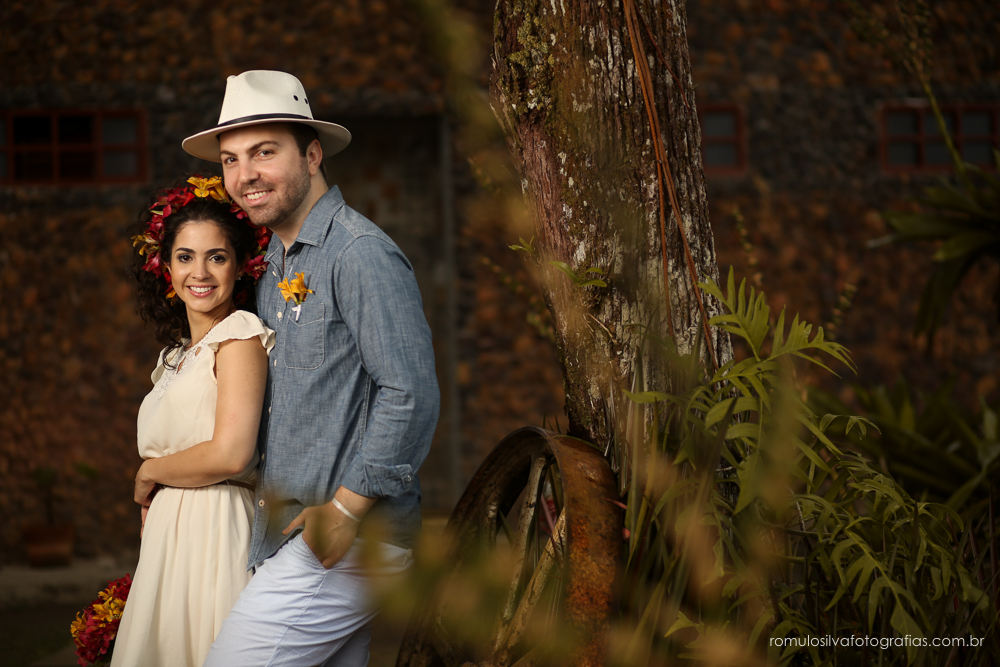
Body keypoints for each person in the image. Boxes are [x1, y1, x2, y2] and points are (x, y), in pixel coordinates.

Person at [182, 70, 440, 666]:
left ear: (313, 153)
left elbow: (411, 392)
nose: (245, 175)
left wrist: (347, 510)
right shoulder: (271, 260)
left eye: (264, 152)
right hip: (294, 533)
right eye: (230, 160)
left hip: (347, 537)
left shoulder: (359, 254)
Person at [111, 175, 274, 667]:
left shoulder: (240, 339)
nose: (199, 272)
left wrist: (148, 473)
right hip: (170, 534)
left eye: (216, 257)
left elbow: (231, 452)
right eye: (185, 256)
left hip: (215, 526)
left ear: (240, 265)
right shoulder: (177, 356)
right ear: (165, 266)